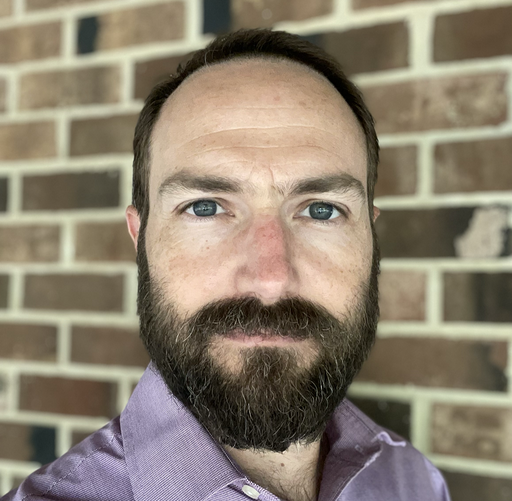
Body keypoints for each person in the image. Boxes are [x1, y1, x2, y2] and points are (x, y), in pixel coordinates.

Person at [3, 29, 450, 501]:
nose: (270, 279)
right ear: (140, 239)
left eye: (322, 210)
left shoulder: (413, 483)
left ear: (371, 240)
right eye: (205, 207)